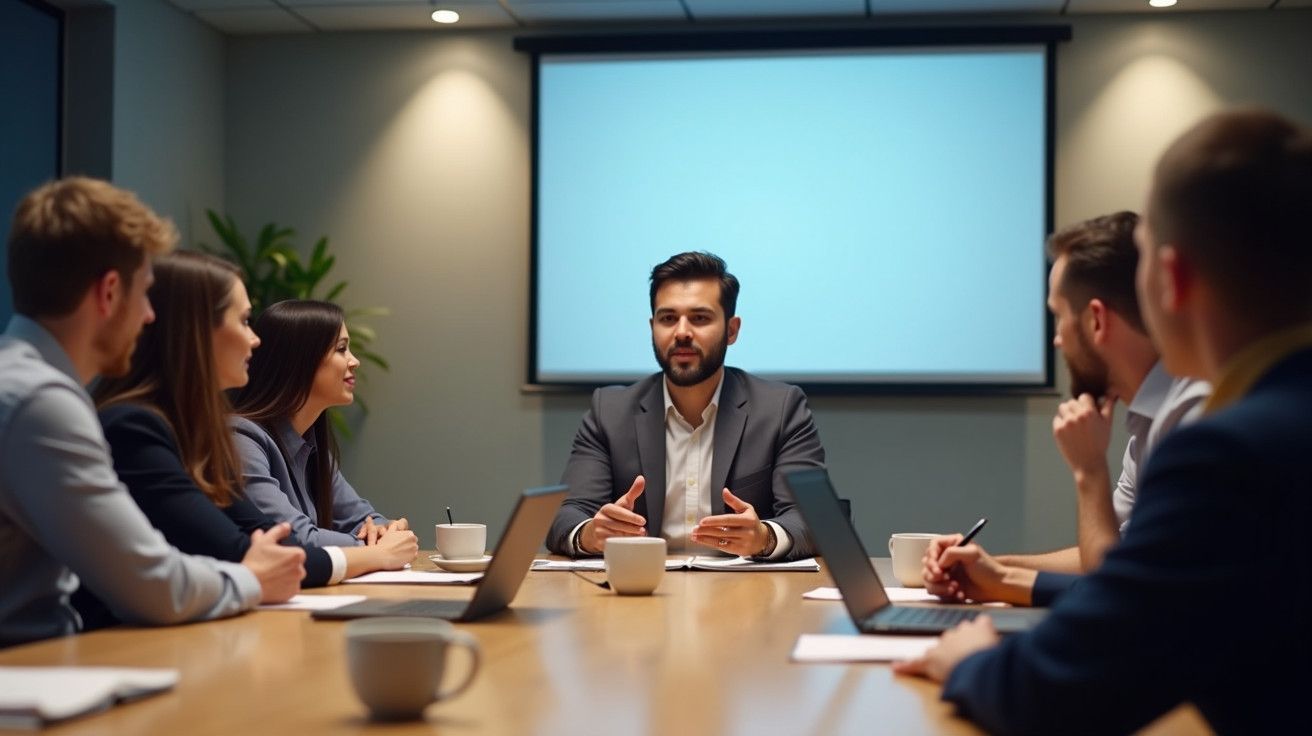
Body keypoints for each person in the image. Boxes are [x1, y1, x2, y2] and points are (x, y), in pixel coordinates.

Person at [895, 108, 1312, 734]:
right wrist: (1001, 572)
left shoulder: (1229, 453)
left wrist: (970, 660)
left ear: (1169, 279)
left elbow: (1063, 690)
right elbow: (1149, 582)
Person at [0, 177, 303, 647]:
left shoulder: (21, 383)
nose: (149, 316)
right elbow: (151, 584)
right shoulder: (41, 403)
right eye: (144, 294)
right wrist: (252, 577)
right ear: (109, 292)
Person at [71, 254, 417, 628]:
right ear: (198, 333)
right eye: (244, 321)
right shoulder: (137, 428)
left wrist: (375, 543)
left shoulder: (194, 435)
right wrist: (377, 555)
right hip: (104, 646)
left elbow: (276, 545)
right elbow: (253, 552)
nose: (255, 339)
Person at [922, 213, 1210, 607]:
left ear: (1095, 320)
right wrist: (991, 566)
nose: (1056, 340)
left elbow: (1123, 594)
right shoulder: (1152, 416)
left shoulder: (1194, 415)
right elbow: (1117, 555)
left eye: (1059, 316)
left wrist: (1088, 471)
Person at [546, 251, 825, 560]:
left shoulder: (780, 409)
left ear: (731, 330)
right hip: (642, 591)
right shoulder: (609, 412)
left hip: (744, 592)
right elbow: (566, 516)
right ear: (653, 326)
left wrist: (764, 537)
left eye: (699, 318)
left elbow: (814, 519)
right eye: (668, 319)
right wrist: (591, 533)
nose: (681, 332)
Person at [231, 299, 409, 548]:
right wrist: (374, 548)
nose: (354, 361)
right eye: (341, 349)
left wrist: (386, 530)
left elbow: (364, 519)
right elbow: (294, 538)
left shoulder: (311, 446)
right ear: (300, 360)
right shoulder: (241, 439)